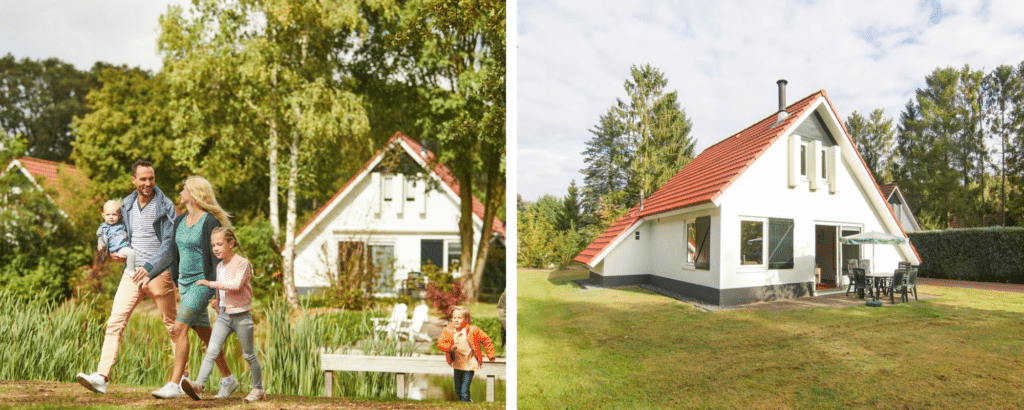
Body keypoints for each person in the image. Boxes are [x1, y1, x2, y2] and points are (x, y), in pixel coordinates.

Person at [77, 160, 179, 394]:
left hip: (158, 272)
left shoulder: (165, 206)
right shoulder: (127, 205)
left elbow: (169, 243)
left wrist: (152, 267)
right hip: (132, 273)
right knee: (115, 322)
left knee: (172, 326)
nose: (147, 183)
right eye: (142, 179)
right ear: (133, 180)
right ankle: (102, 377)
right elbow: (117, 232)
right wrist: (115, 251)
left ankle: (181, 381)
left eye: (151, 178)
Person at [146, 175, 238, 399]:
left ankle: (174, 384)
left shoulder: (210, 222)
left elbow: (217, 261)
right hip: (185, 285)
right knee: (206, 336)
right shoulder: (179, 221)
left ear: (194, 193)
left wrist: (219, 293)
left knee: (179, 328)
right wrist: (148, 273)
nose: (180, 193)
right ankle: (228, 379)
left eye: (183, 189)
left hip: (202, 283)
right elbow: (170, 254)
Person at [180, 227, 264, 402]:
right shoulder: (219, 266)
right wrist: (218, 301)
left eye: (219, 244)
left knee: (248, 354)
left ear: (231, 244)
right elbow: (222, 288)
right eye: (213, 245)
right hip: (224, 316)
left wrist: (210, 284)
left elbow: (236, 285)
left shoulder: (242, 263)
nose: (215, 248)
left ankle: (258, 389)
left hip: (241, 316)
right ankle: (199, 385)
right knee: (211, 350)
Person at [436, 306, 496, 402]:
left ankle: (466, 404)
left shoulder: (473, 330)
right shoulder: (448, 331)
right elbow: (440, 343)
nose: (456, 320)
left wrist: (491, 355)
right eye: (454, 318)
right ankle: (468, 402)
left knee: (464, 390)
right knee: (457, 391)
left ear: (466, 319)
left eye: (459, 318)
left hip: (470, 364)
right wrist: (450, 348)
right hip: (457, 364)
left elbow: (486, 340)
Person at [96, 200, 135, 276]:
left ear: (119, 215)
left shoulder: (121, 224)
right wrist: (100, 244)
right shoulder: (104, 227)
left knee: (132, 253)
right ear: (103, 215)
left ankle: (130, 268)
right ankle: (131, 271)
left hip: (124, 246)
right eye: (108, 215)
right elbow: (101, 237)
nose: (111, 217)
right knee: (131, 253)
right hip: (116, 249)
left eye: (114, 214)